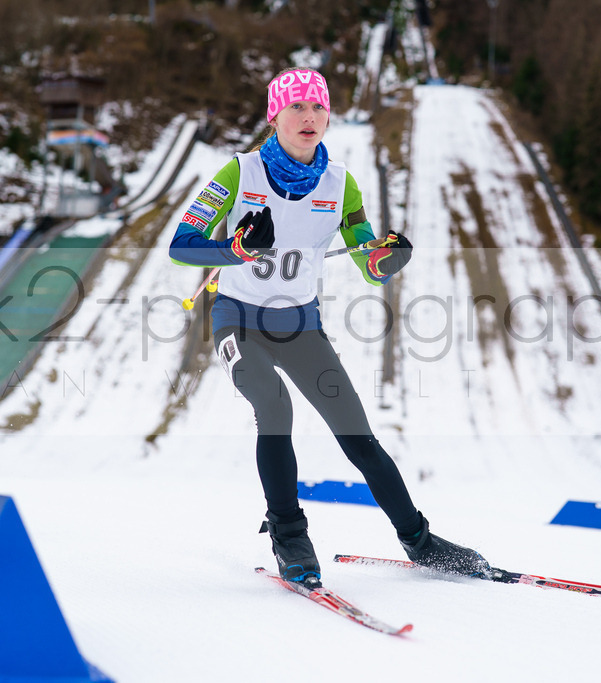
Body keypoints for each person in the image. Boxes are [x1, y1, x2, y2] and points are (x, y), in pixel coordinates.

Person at [169, 67, 490, 587]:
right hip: (238, 320)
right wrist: (235, 249)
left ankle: (420, 541)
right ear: (275, 115)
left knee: (357, 435)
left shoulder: (340, 183)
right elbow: (182, 245)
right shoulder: (240, 173)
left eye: (318, 107)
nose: (309, 117)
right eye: (296, 107)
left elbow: (367, 260)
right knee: (273, 407)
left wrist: (386, 259)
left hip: (300, 325)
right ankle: (289, 533)